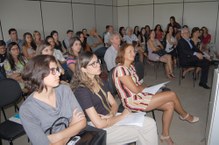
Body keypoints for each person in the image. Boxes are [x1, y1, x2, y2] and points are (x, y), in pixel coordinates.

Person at [113, 43, 199, 145]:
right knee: (171, 94)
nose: (134, 53)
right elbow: (136, 89)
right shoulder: (120, 69)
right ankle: (185, 116)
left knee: (170, 105)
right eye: (130, 52)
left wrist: (152, 89)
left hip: (139, 96)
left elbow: (139, 84)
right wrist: (150, 91)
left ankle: (165, 135)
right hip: (132, 102)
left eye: (133, 51)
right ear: (122, 54)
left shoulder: (130, 66)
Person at [71, 51, 158, 145]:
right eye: (93, 64)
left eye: (97, 61)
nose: (98, 65)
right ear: (83, 69)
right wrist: (121, 116)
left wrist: (112, 113)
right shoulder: (82, 91)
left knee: (150, 123)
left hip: (111, 117)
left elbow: (114, 103)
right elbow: (99, 124)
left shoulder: (98, 80)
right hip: (98, 130)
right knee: (143, 130)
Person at [20, 55, 86, 145]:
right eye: (53, 71)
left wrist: (55, 137)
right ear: (39, 74)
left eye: (57, 69)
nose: (59, 74)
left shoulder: (64, 90)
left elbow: (82, 122)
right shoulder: (27, 110)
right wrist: (72, 127)